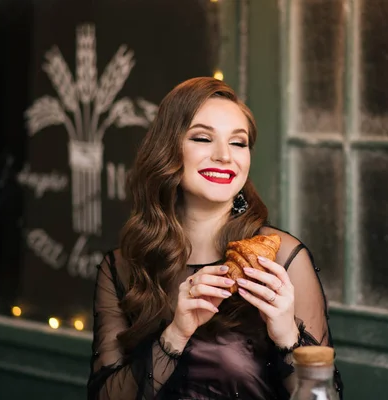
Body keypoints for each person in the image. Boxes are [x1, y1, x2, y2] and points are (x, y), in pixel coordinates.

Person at [87, 77, 343, 399]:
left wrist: (287, 336)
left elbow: (326, 395)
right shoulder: (122, 266)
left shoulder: (281, 258)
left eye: (238, 142)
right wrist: (176, 334)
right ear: (168, 148)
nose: (224, 155)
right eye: (203, 138)